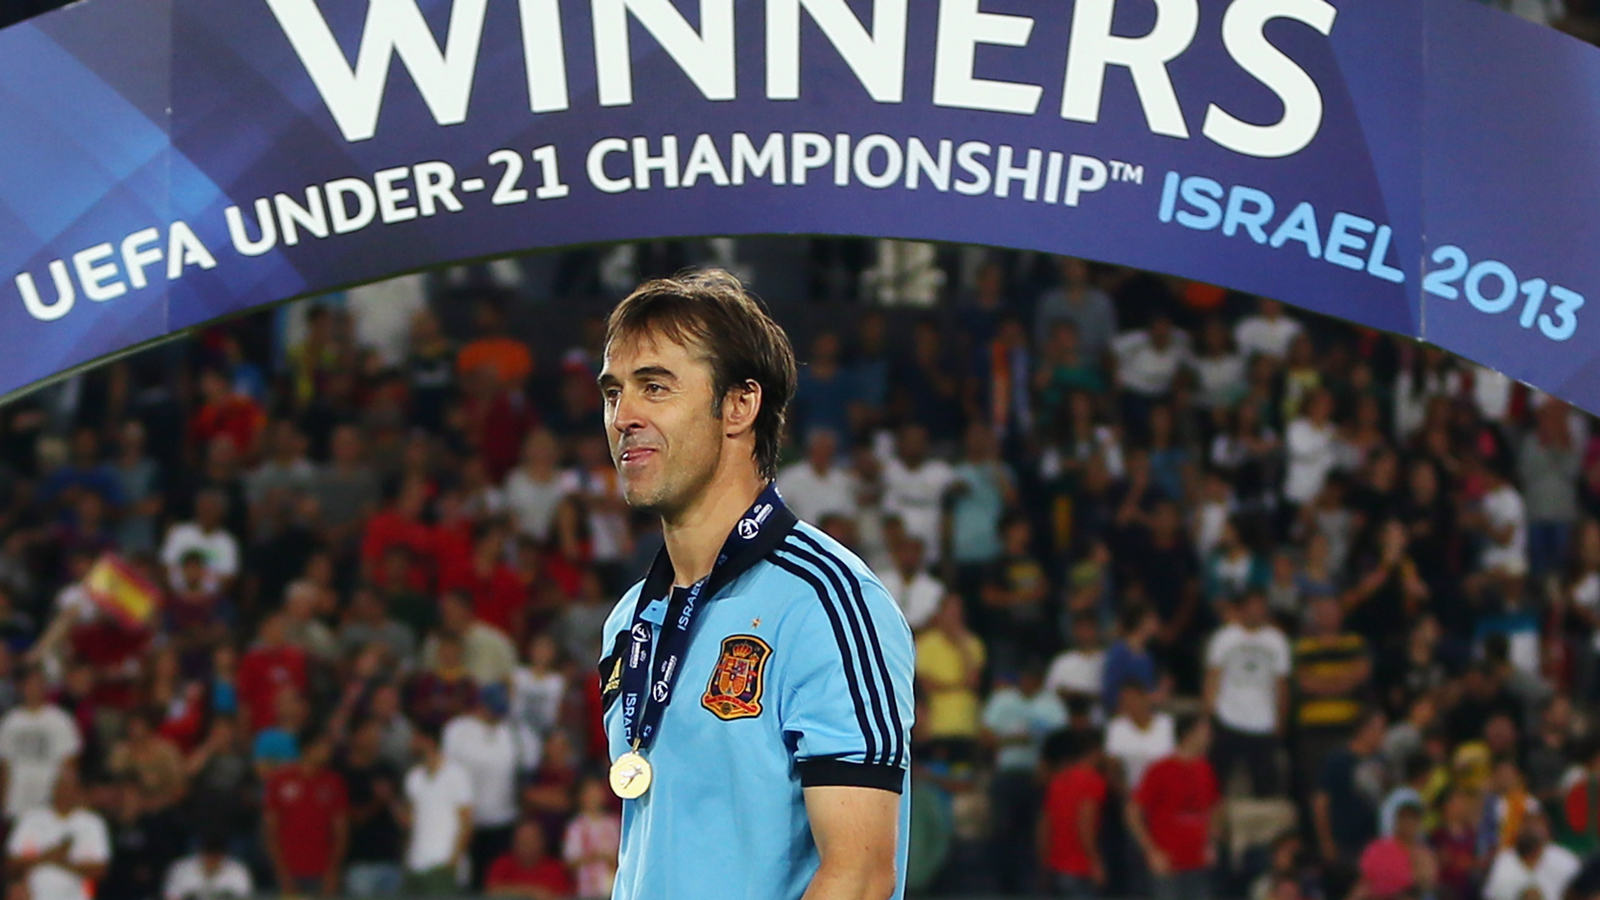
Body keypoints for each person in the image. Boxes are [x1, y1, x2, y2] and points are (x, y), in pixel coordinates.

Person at [592, 271, 914, 900]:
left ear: (740, 405)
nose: (624, 416)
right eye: (613, 393)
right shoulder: (630, 622)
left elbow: (862, 879)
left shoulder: (828, 603)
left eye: (654, 387)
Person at [1204, 590, 1291, 797]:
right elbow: (1213, 677)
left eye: (1261, 606)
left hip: (1263, 722)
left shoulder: (1277, 640)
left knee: (1265, 785)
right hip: (1228, 717)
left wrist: (1281, 718)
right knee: (1217, 781)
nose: (1257, 611)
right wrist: (1209, 713)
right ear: (1242, 609)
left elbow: (1281, 683)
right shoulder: (1224, 637)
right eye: (1252, 606)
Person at [1126, 716, 1221, 900]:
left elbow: (1215, 807)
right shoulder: (1160, 770)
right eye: (1204, 732)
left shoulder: (1205, 769)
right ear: (1188, 735)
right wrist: (1151, 851)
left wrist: (1212, 841)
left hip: (1197, 863)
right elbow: (1132, 811)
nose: (1209, 738)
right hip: (1168, 864)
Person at [443, 684, 520, 889]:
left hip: (502, 820)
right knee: (466, 881)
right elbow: (449, 774)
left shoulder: (508, 732)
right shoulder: (458, 730)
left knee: (495, 882)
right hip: (467, 821)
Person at [262, 731, 349, 897]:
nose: (328, 751)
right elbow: (270, 830)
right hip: (289, 872)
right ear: (308, 749)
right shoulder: (280, 780)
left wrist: (333, 872)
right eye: (323, 746)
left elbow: (341, 832)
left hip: (322, 874)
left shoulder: (334, 783)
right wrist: (281, 872)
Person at [6, 767, 109, 900]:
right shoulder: (31, 818)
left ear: (79, 791)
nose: (65, 792)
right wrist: (47, 856)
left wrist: (63, 861)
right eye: (61, 786)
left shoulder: (92, 823)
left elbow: (100, 870)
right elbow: (11, 863)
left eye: (70, 787)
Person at [0, 666, 82, 820]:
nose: (33, 688)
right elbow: (5, 767)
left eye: (37, 683)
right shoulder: (9, 722)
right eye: (29, 684)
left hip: (49, 803)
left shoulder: (61, 720)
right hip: (17, 802)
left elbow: (70, 765)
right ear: (21, 687)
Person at [401, 725, 474, 896]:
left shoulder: (457, 775)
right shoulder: (413, 778)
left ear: (428, 741)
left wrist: (453, 861)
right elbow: (411, 822)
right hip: (415, 864)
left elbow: (466, 822)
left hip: (442, 863)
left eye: (415, 739)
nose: (410, 743)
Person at [1040, 729, 1108, 899]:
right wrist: (1094, 861)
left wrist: (1044, 861)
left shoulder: (1058, 781)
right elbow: (1085, 823)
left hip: (1057, 864)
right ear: (1095, 753)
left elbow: (1045, 824)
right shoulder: (1092, 781)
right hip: (1080, 867)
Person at [1483, 810, 1582, 900]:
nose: (1529, 828)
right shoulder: (1503, 862)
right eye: (1525, 823)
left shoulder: (1566, 861)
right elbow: (1492, 895)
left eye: (1535, 823)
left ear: (1547, 830)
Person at [562, 777, 620, 900]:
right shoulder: (576, 827)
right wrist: (594, 857)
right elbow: (570, 861)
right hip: (587, 889)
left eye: (597, 792)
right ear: (581, 797)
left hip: (612, 887)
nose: (594, 797)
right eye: (590, 793)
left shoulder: (613, 824)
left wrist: (611, 859)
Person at [485, 820, 574, 899]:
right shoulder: (502, 864)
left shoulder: (556, 868)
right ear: (514, 843)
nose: (528, 847)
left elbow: (564, 896)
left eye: (533, 841)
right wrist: (530, 892)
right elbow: (490, 892)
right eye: (524, 842)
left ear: (543, 843)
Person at [162, 831, 253, 900]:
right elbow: (171, 896)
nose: (212, 861)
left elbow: (244, 896)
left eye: (216, 857)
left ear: (223, 856)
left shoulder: (238, 870)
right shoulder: (181, 869)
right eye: (209, 856)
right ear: (201, 852)